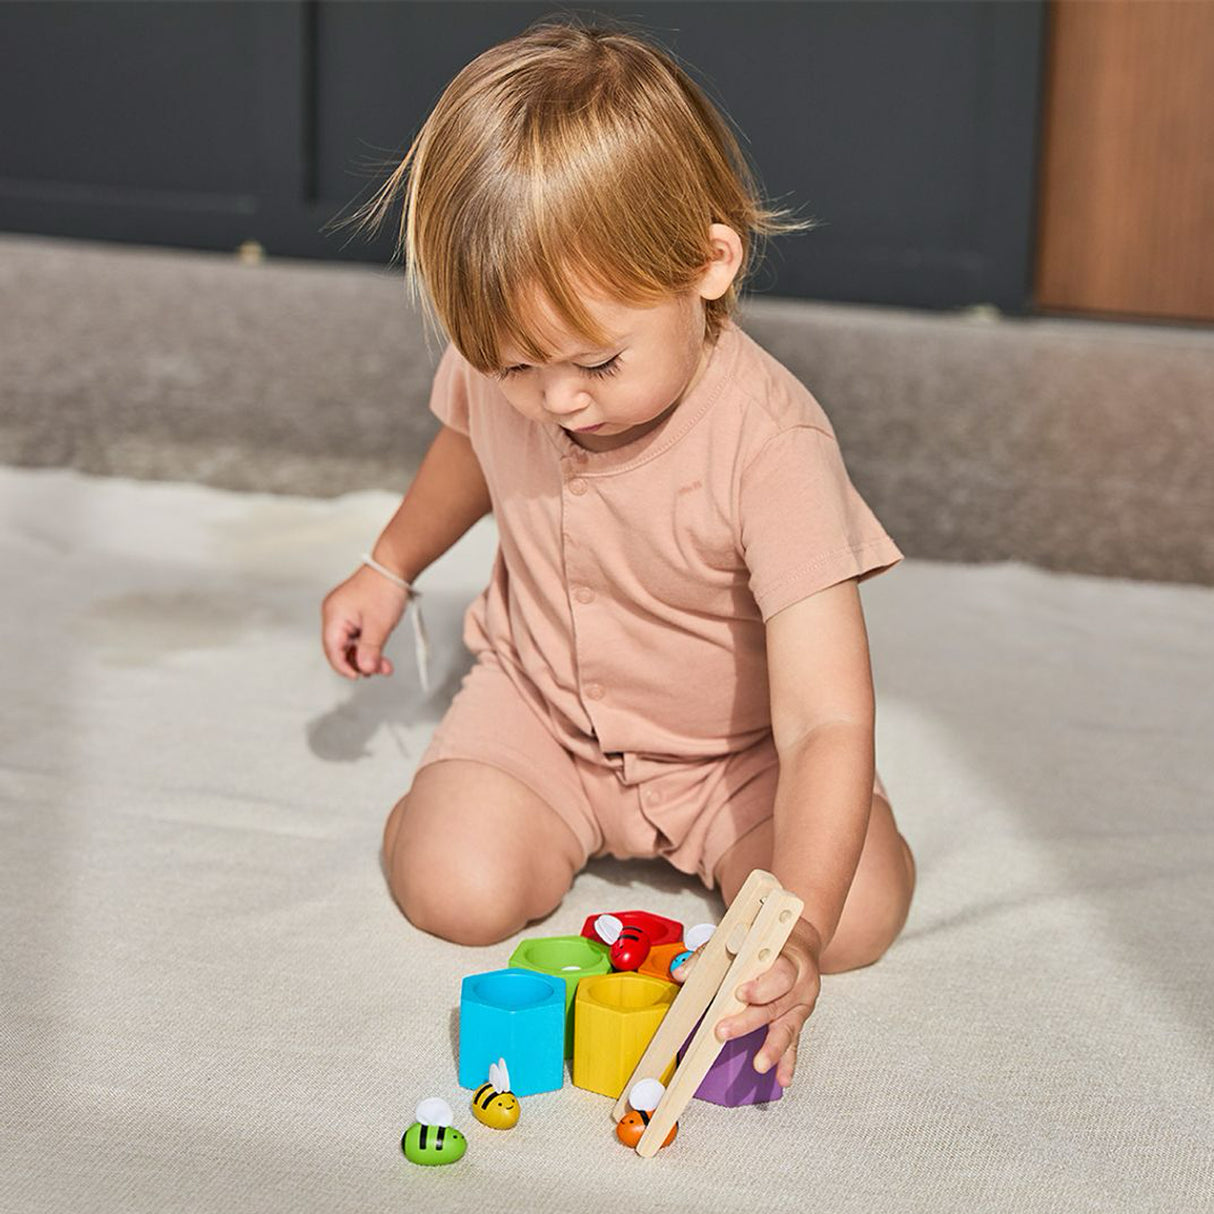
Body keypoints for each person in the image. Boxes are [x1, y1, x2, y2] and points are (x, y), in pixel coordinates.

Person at [320, 17, 915, 1089]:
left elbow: (826, 714)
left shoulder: (772, 445)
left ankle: (829, 858)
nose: (555, 398)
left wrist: (802, 926)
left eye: (595, 359)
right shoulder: (511, 368)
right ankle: (474, 789)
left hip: (735, 756)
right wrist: (388, 560)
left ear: (706, 260)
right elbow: (465, 446)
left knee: (857, 908)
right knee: (448, 887)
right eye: (514, 363)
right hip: (543, 709)